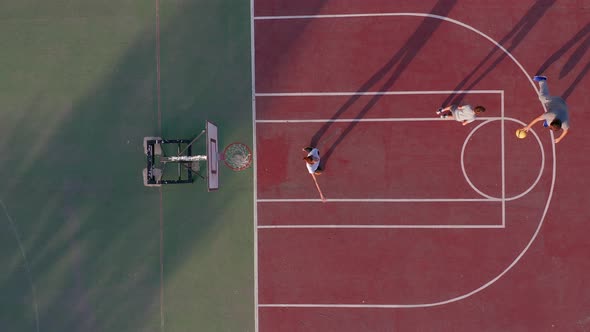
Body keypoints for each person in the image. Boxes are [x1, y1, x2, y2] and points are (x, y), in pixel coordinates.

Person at [522, 76, 570, 144]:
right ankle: (542, 80)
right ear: (554, 120)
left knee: (547, 122)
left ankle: (547, 122)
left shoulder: (565, 124)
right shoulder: (550, 115)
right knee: (542, 97)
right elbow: (537, 119)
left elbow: (566, 130)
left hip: (563, 106)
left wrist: (559, 139)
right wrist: (528, 127)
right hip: (557, 101)